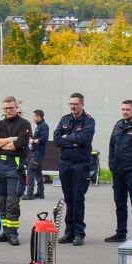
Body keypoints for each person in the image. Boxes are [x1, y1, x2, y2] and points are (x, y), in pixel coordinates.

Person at [0, 96, 33, 245]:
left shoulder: (24, 124)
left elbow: (20, 144)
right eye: (6, 108)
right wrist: (9, 140)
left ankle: (13, 233)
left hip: (15, 166)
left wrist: (1, 144)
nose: (8, 110)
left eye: (11, 108)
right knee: (1, 201)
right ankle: (5, 231)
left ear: (16, 108)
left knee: (12, 202)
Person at [53, 92, 96, 246]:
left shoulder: (89, 121)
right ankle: (69, 232)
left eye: (76, 104)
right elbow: (56, 139)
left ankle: (79, 233)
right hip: (65, 163)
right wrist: (73, 142)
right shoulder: (64, 119)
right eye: (71, 104)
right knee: (69, 199)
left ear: (82, 104)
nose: (73, 106)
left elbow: (84, 139)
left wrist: (67, 137)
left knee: (78, 199)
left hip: (80, 164)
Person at [105, 100, 132, 241]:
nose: (125, 112)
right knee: (120, 204)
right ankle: (121, 233)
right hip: (118, 172)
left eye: (128, 109)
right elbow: (112, 145)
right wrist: (111, 164)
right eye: (123, 109)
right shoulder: (118, 125)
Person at [23, 109, 49, 200]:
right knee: (38, 173)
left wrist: (33, 141)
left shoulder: (43, 126)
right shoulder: (39, 125)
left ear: (39, 116)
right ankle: (40, 193)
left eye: (34, 116)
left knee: (30, 171)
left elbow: (44, 139)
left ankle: (29, 194)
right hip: (36, 152)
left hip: (38, 153)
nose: (33, 117)